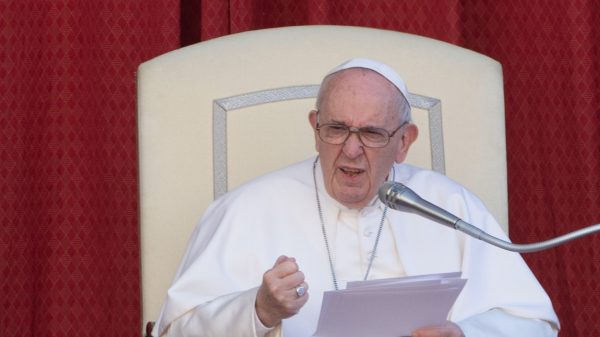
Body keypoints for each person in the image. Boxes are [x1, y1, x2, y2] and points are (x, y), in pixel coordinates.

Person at [151, 58, 559, 337]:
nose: (350, 149)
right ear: (315, 127)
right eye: (336, 129)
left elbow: (534, 323)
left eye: (372, 134)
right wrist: (258, 311)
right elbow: (174, 331)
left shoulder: (451, 207)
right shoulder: (244, 209)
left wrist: (465, 334)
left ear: (404, 141)